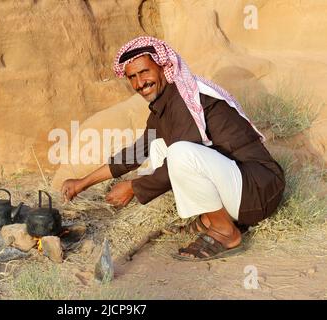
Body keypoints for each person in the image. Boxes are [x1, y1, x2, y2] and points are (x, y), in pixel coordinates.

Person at [61, 36, 285, 261]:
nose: (140, 83)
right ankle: (215, 217)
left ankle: (226, 232)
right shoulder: (164, 105)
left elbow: (181, 160)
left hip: (259, 190)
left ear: (163, 67)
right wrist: (81, 183)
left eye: (145, 72)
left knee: (179, 153)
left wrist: (133, 187)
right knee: (158, 147)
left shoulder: (184, 101)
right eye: (132, 77)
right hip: (239, 188)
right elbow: (137, 153)